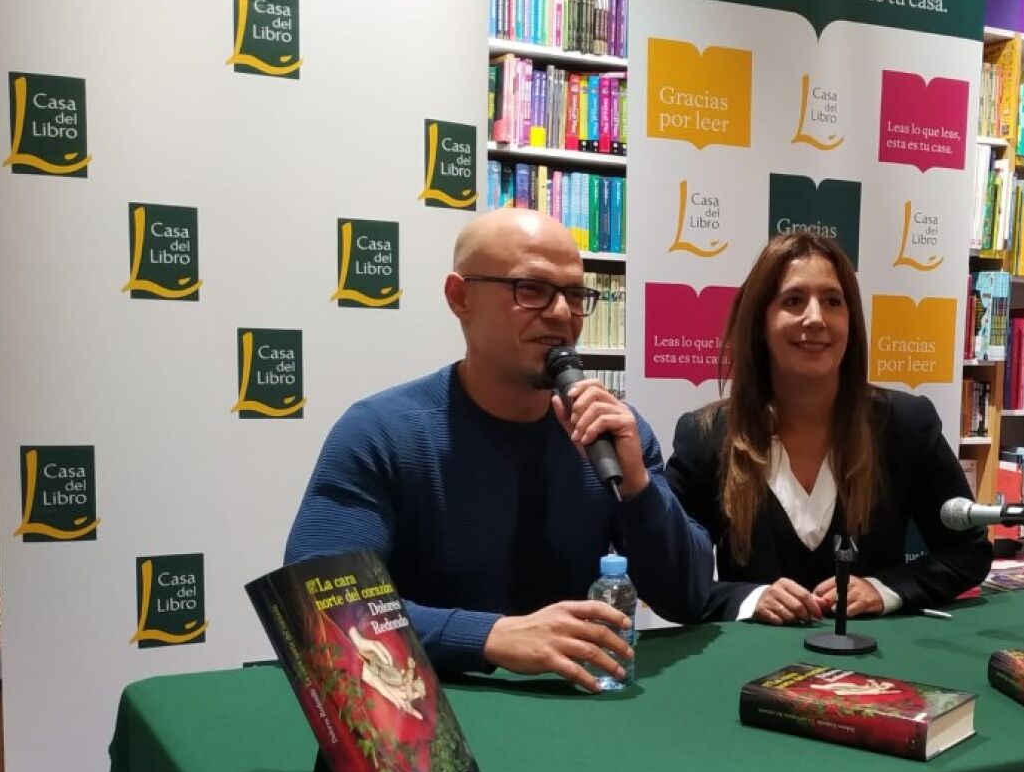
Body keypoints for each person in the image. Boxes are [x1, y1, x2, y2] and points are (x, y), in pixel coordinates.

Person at [285, 208, 714, 690]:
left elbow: (689, 598)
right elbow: (321, 607)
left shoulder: (611, 434)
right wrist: (489, 636)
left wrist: (639, 490)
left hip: (576, 707)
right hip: (429, 711)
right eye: (531, 289)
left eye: (575, 294)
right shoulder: (381, 433)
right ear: (460, 297)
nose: (561, 314)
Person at [666, 231, 990, 624]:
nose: (816, 318)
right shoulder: (705, 437)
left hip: (875, 657)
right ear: (759, 323)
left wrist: (886, 590)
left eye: (833, 301)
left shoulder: (905, 424)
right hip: (752, 659)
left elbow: (968, 551)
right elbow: (670, 582)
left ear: (851, 321)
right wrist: (749, 599)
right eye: (793, 301)